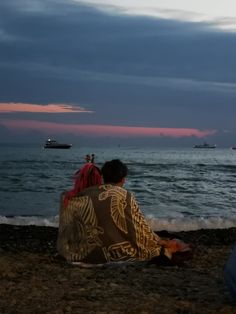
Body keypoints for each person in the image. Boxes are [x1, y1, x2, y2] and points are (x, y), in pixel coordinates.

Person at [57, 159, 191, 265]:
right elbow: (138, 230)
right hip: (108, 255)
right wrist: (162, 243)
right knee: (170, 245)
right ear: (123, 178)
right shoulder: (125, 195)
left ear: (104, 177)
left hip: (73, 253)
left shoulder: (80, 195)